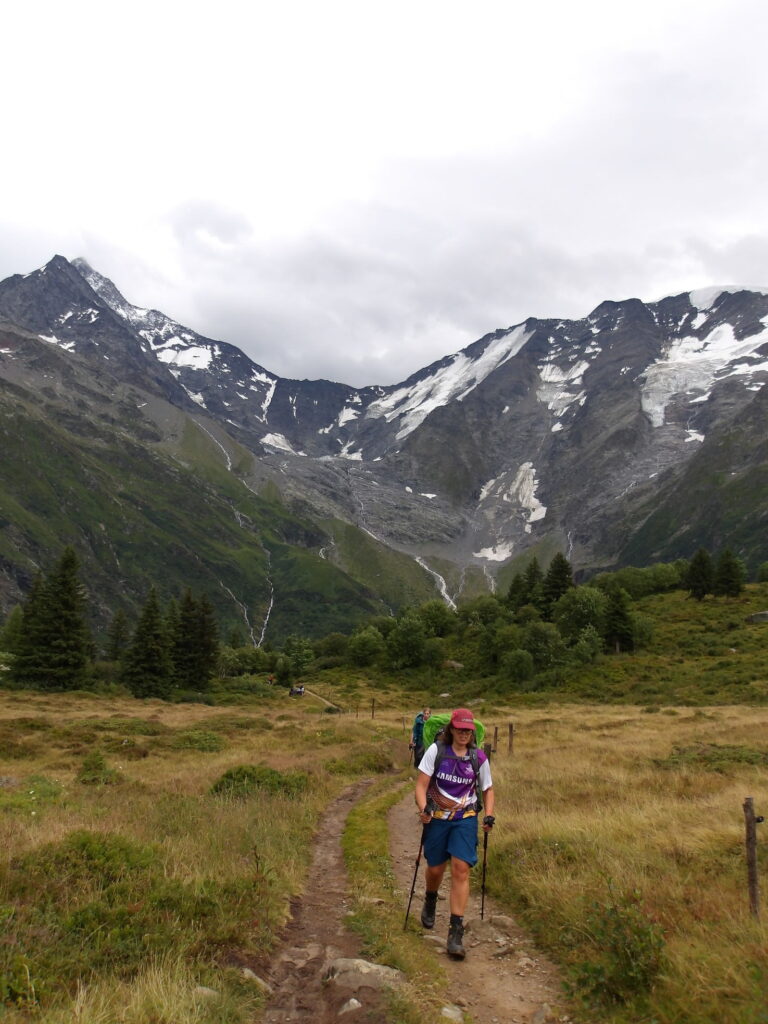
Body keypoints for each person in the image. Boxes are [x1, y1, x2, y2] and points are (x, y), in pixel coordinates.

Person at [414, 707, 495, 959]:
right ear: (451, 729)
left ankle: (456, 931)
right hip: (437, 818)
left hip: (465, 819)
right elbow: (421, 784)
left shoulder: (478, 758)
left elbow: (488, 789)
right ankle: (430, 897)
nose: (463, 733)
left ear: (472, 732)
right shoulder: (436, 751)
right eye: (459, 728)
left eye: (468, 730)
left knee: (461, 868)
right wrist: (423, 807)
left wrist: (489, 814)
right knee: (436, 868)